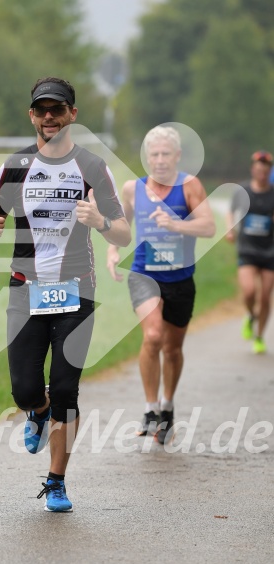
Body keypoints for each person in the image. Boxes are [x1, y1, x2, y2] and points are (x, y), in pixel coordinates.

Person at [0, 77, 131, 511]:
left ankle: (56, 480)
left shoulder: (93, 168)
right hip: (26, 290)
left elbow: (123, 229)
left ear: (72, 116)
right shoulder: (14, 166)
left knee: (67, 389)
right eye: (42, 110)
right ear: (32, 116)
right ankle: (37, 410)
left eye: (57, 110)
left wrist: (101, 220)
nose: (50, 117)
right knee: (26, 390)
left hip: (76, 293)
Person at [107, 126, 215, 444]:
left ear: (177, 156)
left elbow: (209, 226)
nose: (160, 160)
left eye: (166, 154)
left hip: (180, 279)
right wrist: (113, 249)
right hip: (144, 274)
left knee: (173, 348)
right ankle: (150, 409)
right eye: (154, 154)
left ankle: (167, 407)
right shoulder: (132, 188)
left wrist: (176, 224)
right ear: (146, 158)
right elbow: (121, 222)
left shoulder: (190, 186)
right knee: (153, 337)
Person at [226, 150, 274, 354]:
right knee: (249, 291)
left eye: (265, 170)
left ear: (269, 172)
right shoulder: (242, 190)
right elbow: (231, 211)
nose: (261, 173)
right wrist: (229, 228)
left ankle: (260, 336)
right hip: (247, 248)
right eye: (258, 169)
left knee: (265, 296)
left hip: (270, 251)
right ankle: (250, 316)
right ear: (252, 170)